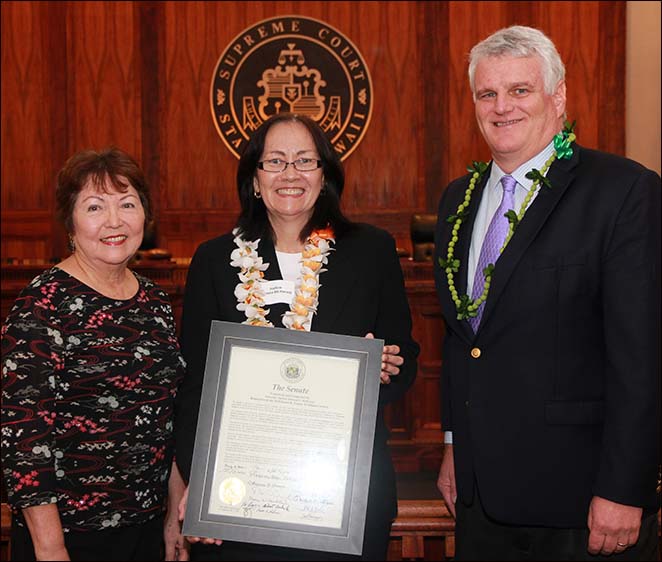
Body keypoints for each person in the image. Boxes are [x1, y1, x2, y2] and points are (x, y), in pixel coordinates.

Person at [433, 25, 661, 560]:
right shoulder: (457, 199)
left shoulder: (624, 191)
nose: (501, 106)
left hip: (580, 503)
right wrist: (452, 446)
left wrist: (625, 489)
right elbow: (463, 338)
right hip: (479, 500)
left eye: (519, 90)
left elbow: (642, 355)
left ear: (557, 97)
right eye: (487, 94)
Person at [174, 112, 419, 561]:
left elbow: (406, 359)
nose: (290, 174)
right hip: (242, 493)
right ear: (254, 179)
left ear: (325, 176)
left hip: (342, 491)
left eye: (305, 160)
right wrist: (201, 482)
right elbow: (194, 387)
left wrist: (382, 369)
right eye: (275, 162)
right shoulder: (213, 261)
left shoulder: (372, 251)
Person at [1, 148, 190, 561]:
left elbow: (168, 417)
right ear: (70, 223)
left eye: (127, 204)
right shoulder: (41, 304)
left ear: (145, 215)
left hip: (144, 531)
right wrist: (51, 548)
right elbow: (24, 439)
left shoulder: (156, 302)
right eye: (94, 207)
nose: (114, 221)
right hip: (67, 537)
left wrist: (175, 519)